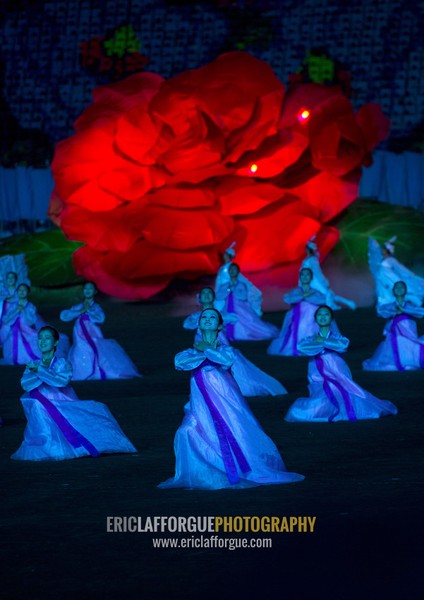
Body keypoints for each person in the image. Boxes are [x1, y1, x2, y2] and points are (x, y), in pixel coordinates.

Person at [159, 308, 304, 489]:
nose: (207, 319)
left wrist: (208, 349)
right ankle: (203, 471)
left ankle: (240, 468)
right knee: (187, 431)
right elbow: (180, 363)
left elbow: (225, 361)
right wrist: (203, 350)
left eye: (212, 317)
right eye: (204, 317)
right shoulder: (191, 353)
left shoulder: (226, 351)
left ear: (219, 325)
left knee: (238, 432)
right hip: (201, 406)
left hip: (227, 404)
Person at [11, 325, 137, 461]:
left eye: (47, 338)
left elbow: (61, 382)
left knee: (81, 420)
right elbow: (26, 384)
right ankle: (48, 447)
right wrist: (38, 370)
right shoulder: (33, 364)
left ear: (55, 342)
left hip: (62, 403)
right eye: (40, 338)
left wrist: (40, 371)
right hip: (39, 405)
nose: (42, 341)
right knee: (38, 409)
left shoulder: (62, 364)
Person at [285, 305, 397, 422]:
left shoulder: (337, 338)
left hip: (336, 371)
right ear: (316, 318)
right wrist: (324, 344)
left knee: (340, 391)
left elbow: (342, 346)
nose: (323, 317)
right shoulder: (309, 339)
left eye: (326, 314)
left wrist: (322, 342)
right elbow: (302, 348)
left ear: (331, 318)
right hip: (317, 374)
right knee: (320, 397)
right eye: (320, 315)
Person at [184, 287, 287, 396]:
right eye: (203, 293)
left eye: (209, 293)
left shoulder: (220, 314)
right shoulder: (196, 317)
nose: (206, 295)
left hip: (219, 344)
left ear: (214, 297)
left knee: (225, 363)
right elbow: (187, 325)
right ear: (199, 298)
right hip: (201, 344)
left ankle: (230, 387)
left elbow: (232, 319)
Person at [60, 281, 141, 380]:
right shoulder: (78, 307)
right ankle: (82, 372)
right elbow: (65, 316)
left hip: (91, 332)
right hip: (79, 333)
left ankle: (97, 371)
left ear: (95, 292)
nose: (88, 291)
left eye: (90, 289)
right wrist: (80, 311)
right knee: (80, 350)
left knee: (92, 349)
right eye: (86, 289)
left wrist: (88, 312)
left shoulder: (96, 307)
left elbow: (100, 318)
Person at [363, 281, 424, 371]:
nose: (399, 289)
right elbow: (382, 312)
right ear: (393, 291)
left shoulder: (410, 306)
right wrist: (395, 311)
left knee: (410, 345)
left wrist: (404, 310)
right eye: (397, 287)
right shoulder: (389, 307)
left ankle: (409, 362)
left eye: (402, 287)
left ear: (405, 291)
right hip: (395, 333)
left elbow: (420, 312)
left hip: (408, 332)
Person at [267, 268, 326, 356]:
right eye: (303, 275)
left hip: (312, 320)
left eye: (307, 275)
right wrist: (303, 296)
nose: (305, 277)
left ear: (311, 277)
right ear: (299, 277)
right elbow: (289, 299)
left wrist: (304, 297)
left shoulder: (315, 292)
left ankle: (312, 347)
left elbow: (321, 300)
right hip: (298, 320)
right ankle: (299, 347)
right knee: (298, 330)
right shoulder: (296, 291)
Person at [216, 263, 279, 341]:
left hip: (240, 308)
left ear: (238, 272)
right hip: (228, 308)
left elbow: (243, 296)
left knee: (250, 322)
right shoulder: (225, 285)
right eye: (231, 270)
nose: (232, 271)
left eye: (234, 269)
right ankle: (231, 335)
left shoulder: (241, 284)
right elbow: (219, 296)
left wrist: (233, 289)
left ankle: (242, 334)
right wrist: (228, 290)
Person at [368, 236, 424, 308]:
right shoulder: (383, 260)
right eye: (383, 249)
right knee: (389, 293)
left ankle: (416, 302)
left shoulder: (391, 260)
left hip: (391, 279)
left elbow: (401, 268)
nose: (382, 251)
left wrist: (411, 274)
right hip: (384, 280)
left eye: (384, 249)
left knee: (403, 291)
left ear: (386, 251)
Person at [301, 238, 356, 310]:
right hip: (313, 281)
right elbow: (313, 272)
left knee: (328, 293)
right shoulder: (310, 260)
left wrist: (323, 281)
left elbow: (316, 272)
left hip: (314, 280)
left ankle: (340, 304)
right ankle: (339, 304)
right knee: (327, 293)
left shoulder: (311, 260)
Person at [214, 242, 263, 316]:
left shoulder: (231, 267)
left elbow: (237, 278)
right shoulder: (222, 267)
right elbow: (219, 281)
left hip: (228, 291)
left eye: (225, 254)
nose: (223, 255)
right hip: (222, 290)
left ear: (228, 255)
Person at [0, 271, 19, 344]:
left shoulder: (19, 291)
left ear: (16, 279)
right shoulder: (3, 292)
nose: (10, 279)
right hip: (4, 315)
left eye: (12, 277)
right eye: (8, 278)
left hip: (16, 315)